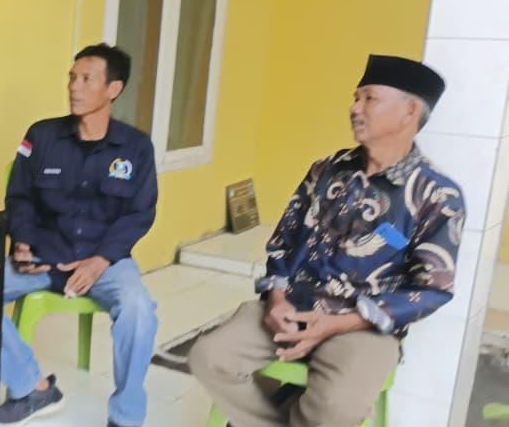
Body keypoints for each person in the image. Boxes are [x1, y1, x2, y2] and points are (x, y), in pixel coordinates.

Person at [190, 55, 464, 427]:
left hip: (362, 327)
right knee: (209, 357)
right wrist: (277, 299)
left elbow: (432, 289)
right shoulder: (326, 170)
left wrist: (342, 322)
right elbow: (282, 243)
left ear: (409, 111)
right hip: (290, 308)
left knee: (336, 408)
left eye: (369, 98)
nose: (355, 108)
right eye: (356, 98)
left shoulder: (436, 195)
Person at [0, 43, 159, 427]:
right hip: (45, 256)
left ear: (113, 89)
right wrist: (22, 242)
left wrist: (100, 261)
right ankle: (33, 387)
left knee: (138, 309)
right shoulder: (41, 135)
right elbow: (19, 197)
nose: (74, 87)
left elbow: (140, 213)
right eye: (72, 77)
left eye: (86, 79)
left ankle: (127, 416)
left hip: (105, 261)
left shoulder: (136, 147)